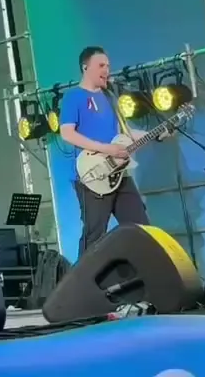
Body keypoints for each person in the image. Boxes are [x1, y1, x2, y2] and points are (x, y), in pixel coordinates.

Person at [59, 46, 150, 255]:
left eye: (108, 66)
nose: (106, 70)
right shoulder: (74, 97)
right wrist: (106, 148)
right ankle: (83, 276)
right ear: (85, 68)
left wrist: (156, 133)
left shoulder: (109, 96)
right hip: (92, 175)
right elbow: (67, 133)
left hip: (119, 173)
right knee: (94, 235)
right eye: (101, 65)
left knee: (141, 229)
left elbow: (125, 132)